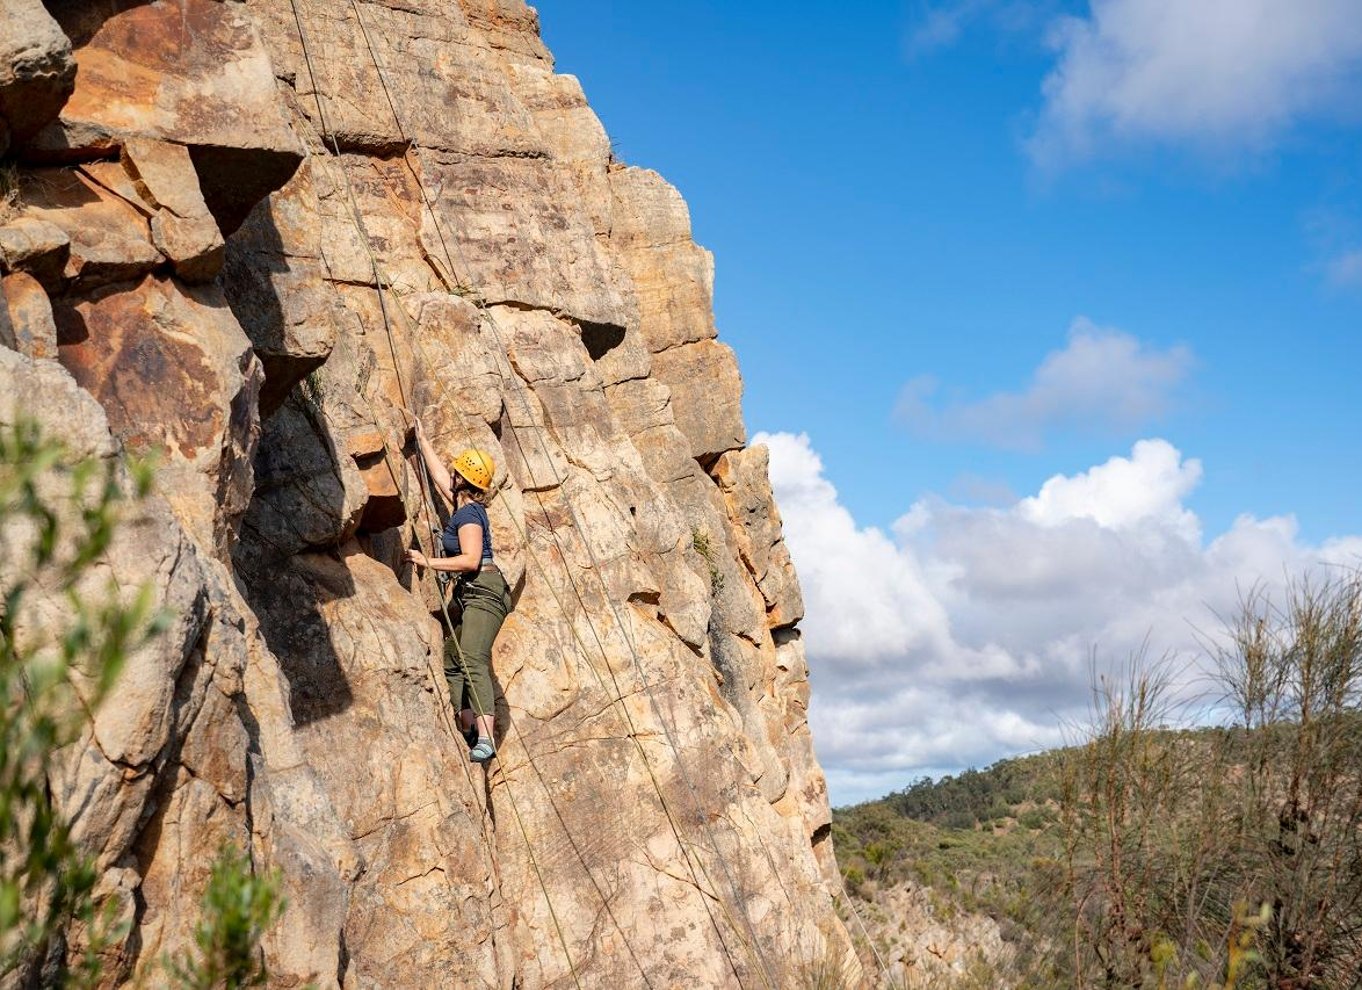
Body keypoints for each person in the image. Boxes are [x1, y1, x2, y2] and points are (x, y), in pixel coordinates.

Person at [405, 418, 511, 764]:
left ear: (463, 480)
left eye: (457, 472)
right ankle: (468, 725)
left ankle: (486, 738)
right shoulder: (463, 505)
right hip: (473, 594)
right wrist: (422, 438)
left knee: (472, 656)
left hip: (485, 592)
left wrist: (428, 561)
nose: (451, 474)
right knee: (453, 657)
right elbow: (440, 476)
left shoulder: (469, 516)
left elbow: (470, 560)